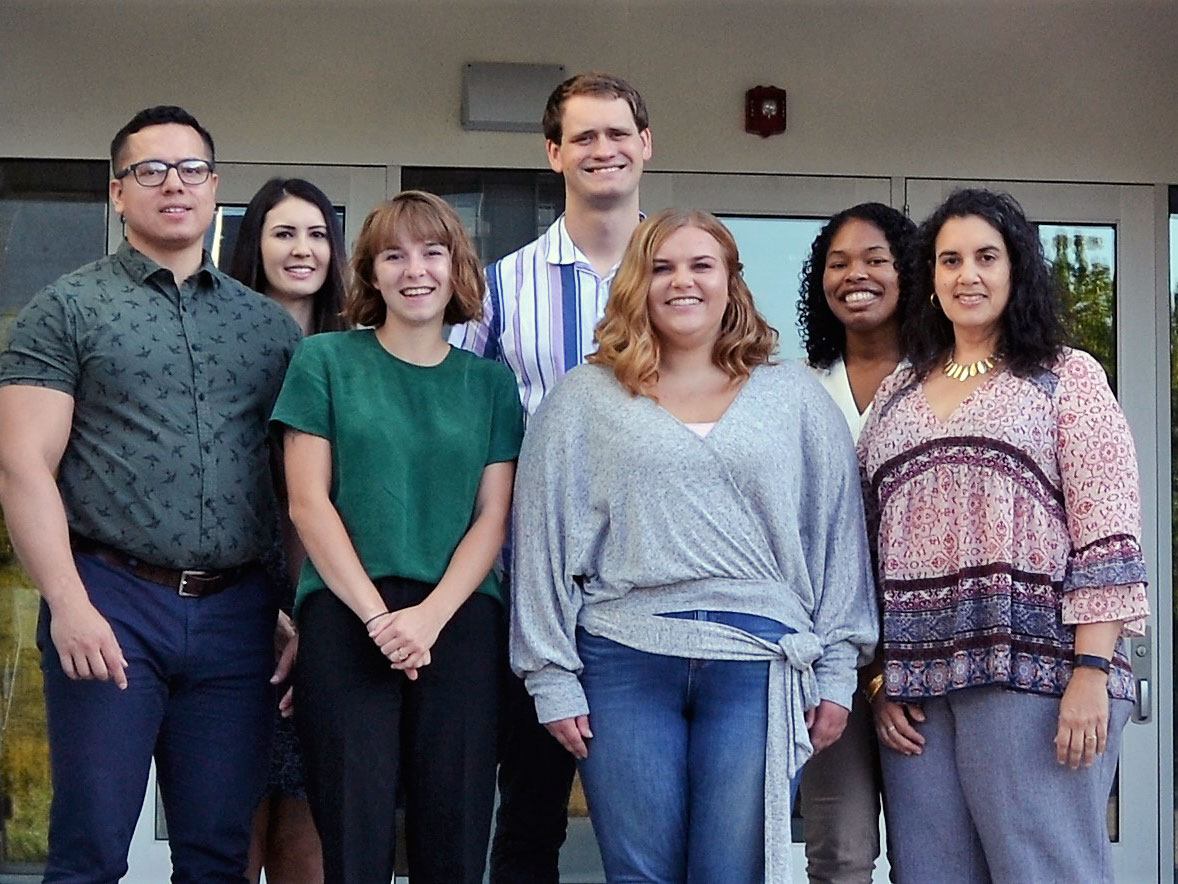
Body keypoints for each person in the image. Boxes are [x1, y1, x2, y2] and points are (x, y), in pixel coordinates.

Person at [510, 208, 878, 883]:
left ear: (731, 281)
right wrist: (550, 676)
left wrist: (836, 670)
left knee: (731, 872)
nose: (682, 281)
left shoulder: (793, 395)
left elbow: (837, 538)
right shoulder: (585, 398)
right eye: (662, 268)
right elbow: (542, 540)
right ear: (637, 284)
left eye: (701, 265)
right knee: (640, 875)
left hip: (756, 661)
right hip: (624, 657)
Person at [0, 105, 302, 882]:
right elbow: (22, 463)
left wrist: (293, 607)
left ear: (214, 187)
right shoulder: (67, 308)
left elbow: (294, 487)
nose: (174, 184)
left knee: (218, 855)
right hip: (111, 603)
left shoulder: (268, 329)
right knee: (92, 848)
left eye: (191, 169)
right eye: (151, 170)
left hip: (237, 617)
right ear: (117, 192)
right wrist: (68, 603)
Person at [858, 188, 1150, 883]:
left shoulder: (1065, 376)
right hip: (916, 689)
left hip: (1037, 671)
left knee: (1043, 870)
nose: (969, 275)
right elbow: (863, 542)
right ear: (930, 278)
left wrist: (1091, 672)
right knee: (927, 873)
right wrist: (878, 674)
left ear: (1017, 268)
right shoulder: (897, 393)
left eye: (987, 257)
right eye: (950, 260)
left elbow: (1107, 531)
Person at [271, 190, 524, 883]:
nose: (415, 270)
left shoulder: (491, 384)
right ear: (371, 273)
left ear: (456, 267)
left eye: (432, 252)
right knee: (353, 837)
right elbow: (307, 504)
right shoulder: (324, 361)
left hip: (459, 620)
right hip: (347, 616)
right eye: (394, 255)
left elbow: (492, 517)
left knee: (454, 836)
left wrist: (429, 617)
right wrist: (379, 620)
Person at [448, 70, 652, 882]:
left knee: (653, 823)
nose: (603, 149)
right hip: (535, 594)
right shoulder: (500, 288)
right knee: (530, 817)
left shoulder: (690, 278)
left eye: (618, 133)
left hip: (661, 587)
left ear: (646, 144)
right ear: (554, 152)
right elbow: (459, 425)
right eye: (584, 135)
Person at [228, 176, 349, 884]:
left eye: (317, 234)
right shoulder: (219, 348)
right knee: (230, 819)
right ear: (255, 245)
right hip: (232, 598)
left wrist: (317, 612)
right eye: (284, 233)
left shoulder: (357, 352)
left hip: (329, 598)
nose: (303, 249)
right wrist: (260, 605)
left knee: (310, 825)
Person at [796, 202, 914, 884]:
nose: (856, 275)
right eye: (838, 263)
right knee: (838, 854)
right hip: (829, 657)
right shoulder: (797, 389)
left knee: (930, 854)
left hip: (928, 659)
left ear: (909, 273)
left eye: (875, 260)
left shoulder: (940, 383)